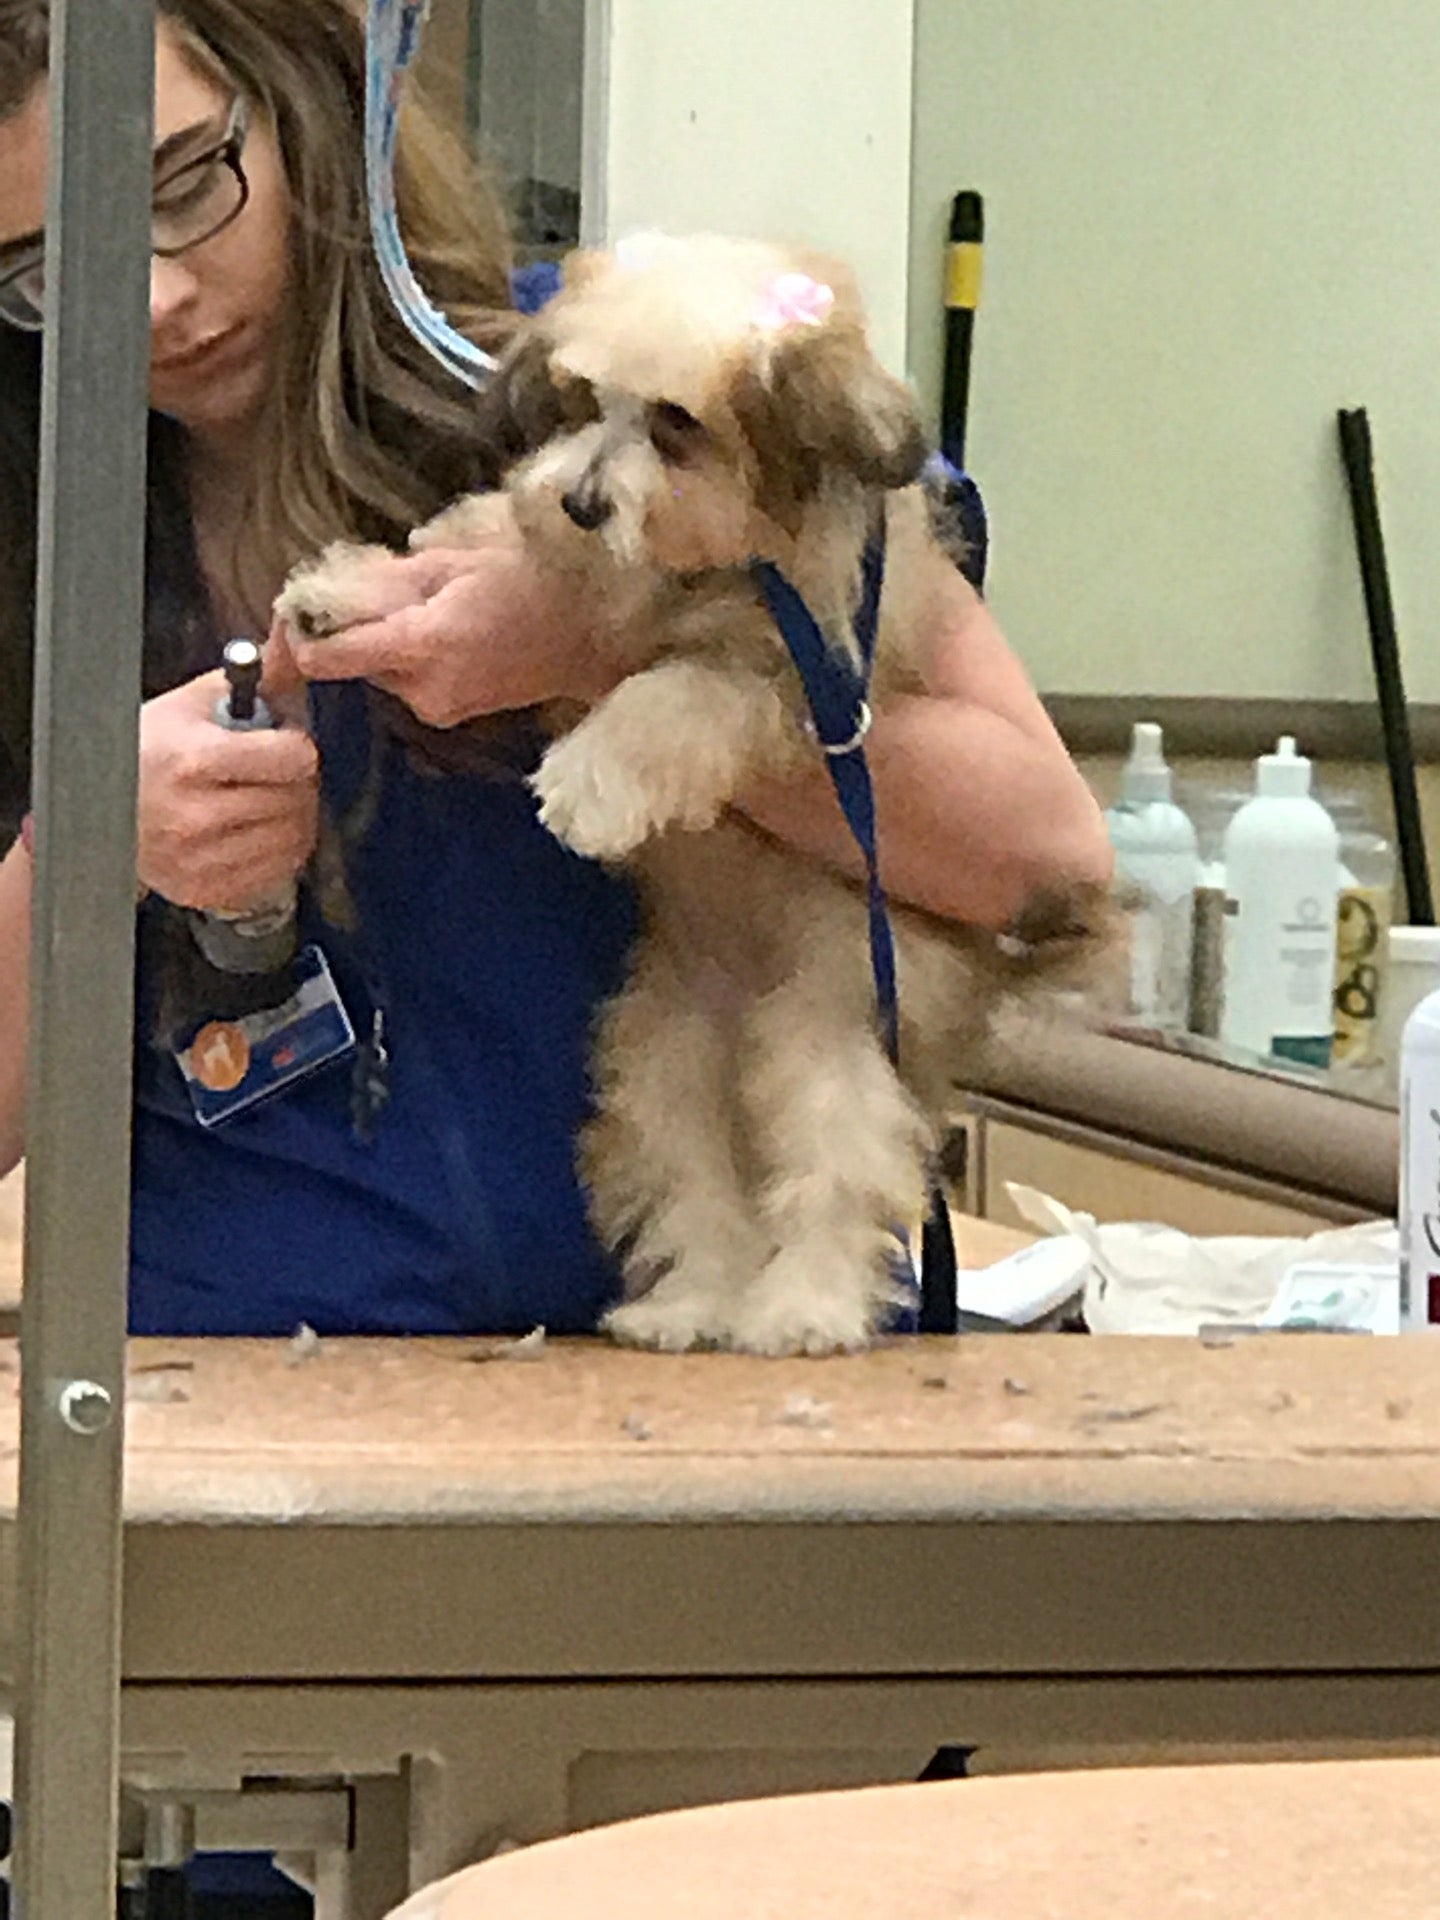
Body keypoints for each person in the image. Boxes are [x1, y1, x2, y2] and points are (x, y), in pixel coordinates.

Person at [0, 0, 1110, 1905]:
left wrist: (596, 652)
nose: (157, 298)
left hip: (699, 1457)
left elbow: (1033, 861)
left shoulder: (635, 383)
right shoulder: (43, 532)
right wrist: (83, 849)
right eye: (47, 266)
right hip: (247, 1520)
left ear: (318, 105)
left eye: (186, 183)